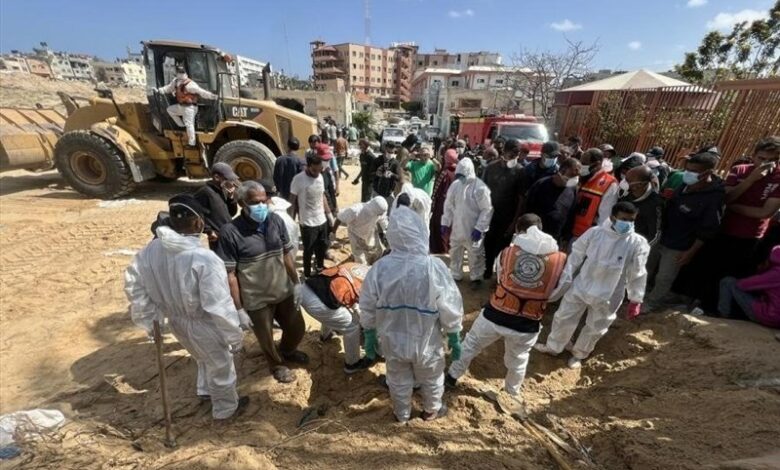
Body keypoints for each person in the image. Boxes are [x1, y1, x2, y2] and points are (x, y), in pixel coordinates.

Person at [125, 194, 247, 419]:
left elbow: (135, 287)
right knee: (221, 366)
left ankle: (204, 390)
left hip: (176, 321)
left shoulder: (150, 251)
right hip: (203, 323)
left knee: (200, 356)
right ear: (198, 222)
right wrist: (234, 336)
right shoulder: (204, 260)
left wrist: (152, 321)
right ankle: (225, 410)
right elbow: (218, 305)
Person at [360, 206, 464, 422]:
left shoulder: (380, 268)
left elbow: (367, 305)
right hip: (427, 342)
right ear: (420, 232)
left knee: (397, 379)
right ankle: (431, 410)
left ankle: (402, 415)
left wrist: (369, 333)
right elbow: (450, 304)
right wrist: (454, 334)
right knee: (432, 378)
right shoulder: (433, 267)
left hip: (392, 341)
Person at [446, 215, 566, 401]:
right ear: (541, 228)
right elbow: (558, 290)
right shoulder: (559, 259)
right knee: (518, 359)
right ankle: (512, 393)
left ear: (519, 230)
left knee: (471, 344)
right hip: (527, 323)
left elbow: (500, 277)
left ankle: (451, 377)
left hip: (496, 314)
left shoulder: (508, 253)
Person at [534, 202, 650, 368]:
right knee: (564, 316)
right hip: (583, 284)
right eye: (624, 219)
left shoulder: (638, 243)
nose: (628, 224)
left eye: (631, 220)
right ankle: (554, 346)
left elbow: (638, 272)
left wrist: (635, 298)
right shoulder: (595, 233)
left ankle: (579, 354)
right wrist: (564, 281)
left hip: (610, 293)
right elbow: (575, 257)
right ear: (613, 217)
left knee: (596, 326)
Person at [217, 181, 307, 383]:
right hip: (256, 298)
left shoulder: (275, 221)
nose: (261, 205)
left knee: (297, 327)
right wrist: (239, 309)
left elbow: (286, 254)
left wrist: (296, 282)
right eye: (255, 202)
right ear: (242, 203)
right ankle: (277, 364)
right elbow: (230, 274)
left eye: (263, 200)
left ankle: (288, 350)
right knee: (265, 337)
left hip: (282, 289)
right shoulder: (230, 232)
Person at [687, 137, 780, 312]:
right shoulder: (740, 171)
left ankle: (719, 311)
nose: (766, 164)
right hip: (724, 229)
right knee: (710, 270)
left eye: (772, 160)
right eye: (761, 158)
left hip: (751, 236)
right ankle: (699, 303)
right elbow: (727, 198)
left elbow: (765, 213)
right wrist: (751, 180)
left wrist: (733, 206)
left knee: (734, 275)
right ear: (753, 156)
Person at [644, 152, 724, 312]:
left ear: (707, 173)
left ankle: (652, 303)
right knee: (647, 267)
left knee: (664, 277)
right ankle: (638, 294)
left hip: (680, 245)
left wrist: (691, 251)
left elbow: (708, 229)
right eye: (687, 169)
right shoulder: (685, 186)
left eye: (693, 171)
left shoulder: (714, 197)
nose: (688, 174)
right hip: (662, 235)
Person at [300, 262, 375, 372]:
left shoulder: (357, 265)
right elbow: (362, 314)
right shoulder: (369, 285)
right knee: (353, 326)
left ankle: (325, 335)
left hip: (306, 289)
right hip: (319, 305)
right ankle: (352, 365)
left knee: (334, 306)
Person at [441, 158, 493, 288]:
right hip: (458, 227)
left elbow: (487, 209)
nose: (459, 178)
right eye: (458, 175)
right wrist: (445, 222)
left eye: (462, 175)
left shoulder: (480, 187)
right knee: (455, 251)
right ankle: (455, 274)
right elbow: (448, 204)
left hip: (472, 228)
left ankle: (476, 278)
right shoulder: (455, 185)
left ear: (469, 173)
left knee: (475, 254)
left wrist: (480, 228)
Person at [481, 138, 527, 280]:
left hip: (507, 217)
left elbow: (521, 199)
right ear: (504, 152)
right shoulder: (491, 168)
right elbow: (481, 192)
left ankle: (499, 274)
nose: (515, 157)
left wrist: (514, 223)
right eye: (512, 153)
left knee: (502, 248)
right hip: (489, 215)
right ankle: (488, 269)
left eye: (517, 154)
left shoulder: (520, 172)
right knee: (488, 244)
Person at [290, 150, 334, 278]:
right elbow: (292, 201)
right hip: (308, 223)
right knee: (308, 251)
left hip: (322, 220)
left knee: (321, 249)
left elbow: (322, 196)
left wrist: (329, 215)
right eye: (314, 170)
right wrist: (291, 221)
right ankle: (308, 274)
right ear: (308, 166)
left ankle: (319, 269)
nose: (317, 173)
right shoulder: (298, 179)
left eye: (320, 170)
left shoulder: (319, 176)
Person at [717, 245, 780, 328]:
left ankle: (722, 316)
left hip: (771, 317)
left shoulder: (775, 274)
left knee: (728, 282)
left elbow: (743, 285)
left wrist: (761, 271)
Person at [525, 157, 582, 244]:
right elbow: (526, 208)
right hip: (533, 237)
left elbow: (570, 215)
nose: (575, 178)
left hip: (554, 240)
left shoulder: (573, 190)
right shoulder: (541, 184)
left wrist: (566, 237)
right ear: (562, 171)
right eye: (573, 174)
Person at [157, 66, 217, 147]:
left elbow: (202, 92)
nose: (180, 74)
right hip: (181, 106)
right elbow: (168, 88)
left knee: (189, 124)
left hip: (190, 107)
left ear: (184, 73)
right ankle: (181, 125)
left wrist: (213, 96)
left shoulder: (190, 85)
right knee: (170, 110)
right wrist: (160, 90)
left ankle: (192, 143)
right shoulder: (175, 82)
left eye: (181, 72)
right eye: (179, 72)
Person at [571, 148, 618, 240]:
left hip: (587, 237)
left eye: (584, 164)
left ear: (597, 164)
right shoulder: (581, 178)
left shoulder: (609, 183)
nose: (581, 166)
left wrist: (595, 240)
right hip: (570, 231)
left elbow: (605, 218)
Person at [193, 162, 240, 250]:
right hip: (216, 237)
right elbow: (197, 215)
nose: (231, 182)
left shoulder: (224, 190)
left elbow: (232, 213)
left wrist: (231, 197)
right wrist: (209, 231)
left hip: (228, 233)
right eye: (227, 179)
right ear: (216, 177)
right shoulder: (204, 192)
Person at [332, 196, 389, 264]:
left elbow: (383, 221)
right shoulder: (356, 210)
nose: (381, 215)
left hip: (371, 232)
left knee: (377, 253)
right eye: (379, 214)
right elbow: (340, 217)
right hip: (355, 235)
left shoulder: (380, 211)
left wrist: (387, 230)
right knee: (360, 260)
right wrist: (333, 232)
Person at [618, 165, 662, 245]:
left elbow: (655, 234)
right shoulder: (625, 194)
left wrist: (641, 250)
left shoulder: (655, 204)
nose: (624, 182)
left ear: (641, 185)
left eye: (628, 180)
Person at [430, 148, 459, 254]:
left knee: (438, 229)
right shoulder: (459, 172)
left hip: (442, 207)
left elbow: (436, 190)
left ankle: (439, 252)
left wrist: (432, 205)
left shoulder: (445, 172)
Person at [371, 142, 402, 208]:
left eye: (392, 152)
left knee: (388, 214)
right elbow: (370, 174)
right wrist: (377, 174)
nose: (390, 154)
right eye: (389, 152)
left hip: (389, 193)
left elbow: (399, 178)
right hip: (377, 192)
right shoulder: (377, 160)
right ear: (385, 149)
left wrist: (392, 175)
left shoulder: (395, 163)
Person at [352, 139, 376, 203]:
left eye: (361, 145)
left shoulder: (371, 157)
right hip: (364, 180)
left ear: (366, 145)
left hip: (370, 182)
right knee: (363, 200)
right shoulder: (362, 155)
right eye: (359, 145)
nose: (360, 146)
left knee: (368, 200)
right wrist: (357, 178)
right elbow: (363, 169)